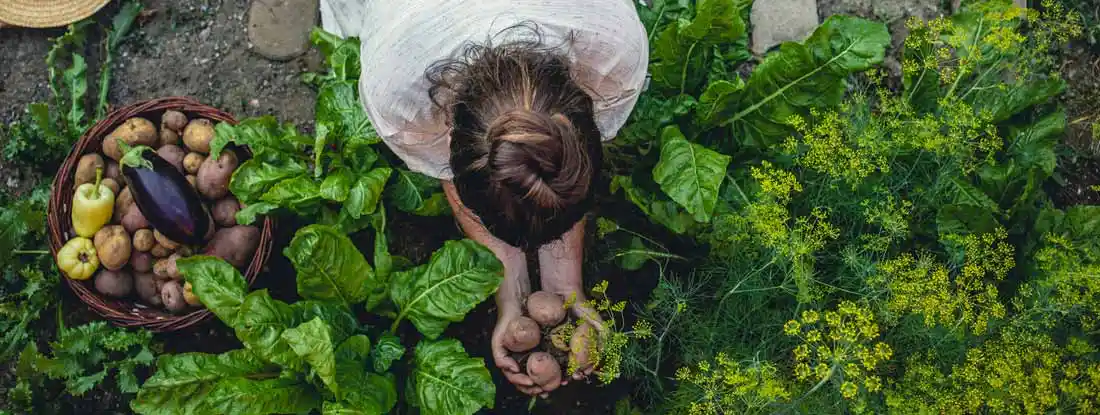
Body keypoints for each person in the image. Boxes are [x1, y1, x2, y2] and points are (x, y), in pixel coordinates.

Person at [318, 0, 649, 396]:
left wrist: (565, 286)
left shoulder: (613, 47)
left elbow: (558, 164)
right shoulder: (399, 91)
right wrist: (512, 294)